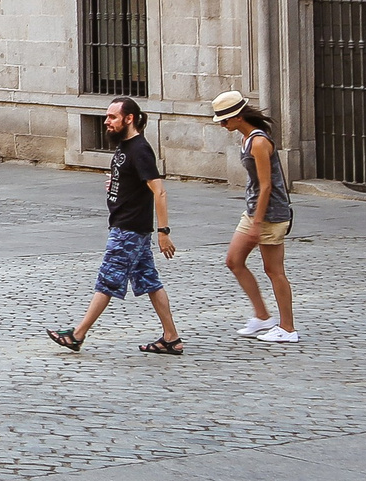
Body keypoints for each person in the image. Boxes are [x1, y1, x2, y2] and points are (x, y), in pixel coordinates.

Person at [48, 96, 183, 356]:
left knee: (107, 281)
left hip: (129, 229)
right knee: (149, 282)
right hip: (128, 226)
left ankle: (77, 335)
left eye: (112, 117)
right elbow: (134, 182)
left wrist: (163, 232)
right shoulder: (125, 146)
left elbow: (159, 191)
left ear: (128, 119)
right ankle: (171, 338)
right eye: (107, 117)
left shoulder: (140, 149)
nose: (106, 121)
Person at [213, 90, 298, 343]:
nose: (223, 124)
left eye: (225, 120)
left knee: (274, 270)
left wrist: (257, 223)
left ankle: (288, 328)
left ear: (238, 117)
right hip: (254, 211)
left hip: (270, 214)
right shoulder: (246, 139)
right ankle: (263, 316)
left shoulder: (259, 142)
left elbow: (267, 185)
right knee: (233, 261)